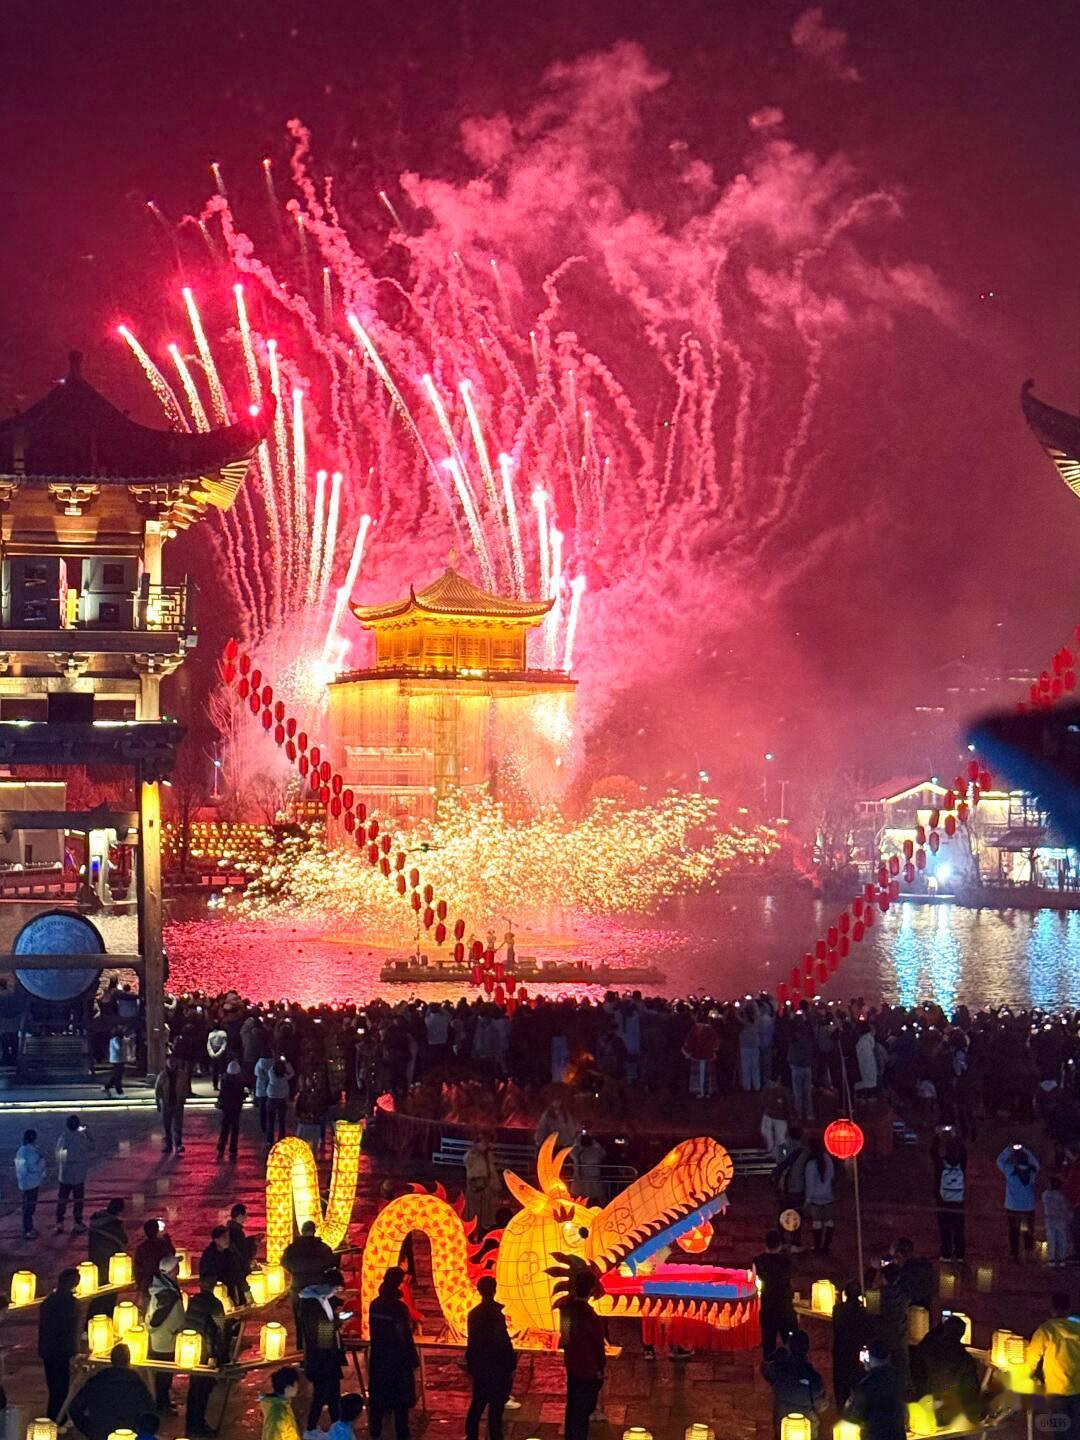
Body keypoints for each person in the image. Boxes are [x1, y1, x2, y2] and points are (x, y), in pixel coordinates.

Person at [368, 1267, 420, 1440]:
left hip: (379, 1357)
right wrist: (412, 1358)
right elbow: (404, 1335)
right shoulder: (398, 1307)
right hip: (397, 1361)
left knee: (379, 1401)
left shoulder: (375, 1304)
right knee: (400, 1404)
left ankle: (375, 1433)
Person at [465, 1276, 517, 1440]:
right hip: (496, 1366)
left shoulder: (473, 1314)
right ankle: (495, 1436)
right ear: (495, 1290)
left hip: (480, 1365)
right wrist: (511, 1362)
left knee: (478, 1402)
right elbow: (501, 1341)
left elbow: (472, 1341)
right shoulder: (495, 1315)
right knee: (496, 1407)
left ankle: (471, 1434)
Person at [910, 1315, 982, 1427]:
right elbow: (971, 1389)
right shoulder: (963, 1358)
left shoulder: (928, 1347)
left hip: (922, 1410)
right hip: (947, 1414)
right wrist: (976, 1415)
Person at [68, 1343, 152, 1440]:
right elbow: (150, 1411)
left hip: (100, 1434)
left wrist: (89, 1430)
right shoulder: (136, 1383)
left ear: (111, 1360)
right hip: (130, 1434)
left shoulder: (97, 1381)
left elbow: (74, 1407)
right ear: (128, 1360)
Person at [299, 1268, 346, 1438]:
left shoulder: (322, 1299)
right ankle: (312, 1429)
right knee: (321, 1396)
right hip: (321, 1359)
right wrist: (339, 1322)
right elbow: (320, 1333)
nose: (335, 1292)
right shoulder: (310, 1304)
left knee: (333, 1396)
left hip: (329, 1357)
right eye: (334, 1288)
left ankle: (336, 1427)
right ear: (326, 1286)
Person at [560, 1269, 607, 1440]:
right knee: (583, 1409)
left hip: (572, 1364)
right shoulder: (591, 1317)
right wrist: (600, 1367)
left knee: (573, 1404)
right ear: (591, 1290)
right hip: (588, 1367)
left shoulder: (566, 1310)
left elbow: (565, 1338)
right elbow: (597, 1345)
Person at [1026, 1292, 1080, 1433]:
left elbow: (1032, 1356)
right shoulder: (1078, 1328)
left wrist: (1028, 1375)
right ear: (1069, 1309)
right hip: (1078, 1389)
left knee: (1060, 1430)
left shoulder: (1047, 1329)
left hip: (1057, 1389)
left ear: (1052, 1309)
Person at [185, 1276, 229, 1437]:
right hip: (206, 1352)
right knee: (203, 1389)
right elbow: (220, 1328)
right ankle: (198, 1425)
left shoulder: (194, 1301)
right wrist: (218, 1354)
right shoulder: (215, 1304)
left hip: (191, 1349)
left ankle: (191, 1423)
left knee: (194, 1389)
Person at [762, 1328, 826, 1439]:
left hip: (783, 1428)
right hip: (807, 1430)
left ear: (789, 1347)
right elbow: (821, 1406)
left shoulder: (778, 1371)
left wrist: (774, 1358)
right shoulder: (814, 1377)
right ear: (807, 1349)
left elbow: (765, 1369)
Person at [842, 1340, 907, 1440]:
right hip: (898, 1435)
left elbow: (853, 1417)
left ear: (868, 1357)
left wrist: (848, 1403)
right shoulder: (899, 1377)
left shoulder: (866, 1385)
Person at [146, 1252, 186, 1411]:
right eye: (177, 1266)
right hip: (165, 1341)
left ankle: (162, 1403)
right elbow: (156, 1319)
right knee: (164, 1376)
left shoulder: (165, 1288)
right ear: (172, 1270)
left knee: (164, 1375)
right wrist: (172, 1330)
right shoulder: (167, 1294)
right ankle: (162, 1405)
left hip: (165, 1338)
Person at [282, 1220, 336, 1337]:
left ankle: (303, 1343)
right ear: (314, 1231)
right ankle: (322, 1342)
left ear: (302, 1231)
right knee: (320, 1316)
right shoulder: (323, 1248)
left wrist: (296, 1272)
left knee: (300, 1319)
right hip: (318, 1286)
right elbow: (331, 1264)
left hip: (298, 1286)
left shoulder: (291, 1249)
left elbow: (285, 1263)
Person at [38, 1268, 79, 1421]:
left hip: (48, 1350)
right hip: (61, 1351)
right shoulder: (70, 1304)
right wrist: (74, 1349)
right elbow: (70, 1330)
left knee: (53, 1386)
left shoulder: (48, 1302)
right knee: (61, 1387)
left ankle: (54, 1416)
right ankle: (58, 1418)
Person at [753, 1229, 795, 1360]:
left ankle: (769, 1366)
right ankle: (791, 1366)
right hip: (785, 1307)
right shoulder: (787, 1261)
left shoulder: (758, 1261)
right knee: (790, 1342)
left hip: (767, 1306)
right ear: (780, 1244)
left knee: (768, 1343)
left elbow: (754, 1281)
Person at [997, 1141, 1040, 1262]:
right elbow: (1036, 1164)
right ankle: (1029, 1254)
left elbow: (1000, 1161)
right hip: (1028, 1207)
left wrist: (1009, 1149)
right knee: (1028, 1231)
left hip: (1013, 1207)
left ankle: (1014, 1255)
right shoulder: (1032, 1172)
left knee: (1014, 1231)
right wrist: (1025, 1149)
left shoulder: (1010, 1170)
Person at [833, 1282, 870, 1409]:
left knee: (840, 1380)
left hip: (840, 1347)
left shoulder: (838, 1309)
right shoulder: (862, 1311)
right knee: (855, 1378)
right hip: (855, 1349)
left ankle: (840, 1406)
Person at [931, 1130, 967, 1262]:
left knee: (944, 1229)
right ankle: (960, 1255)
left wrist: (937, 1136)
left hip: (943, 1201)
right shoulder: (961, 1165)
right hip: (958, 1201)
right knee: (959, 1229)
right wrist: (956, 1136)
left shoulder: (941, 1165)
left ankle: (946, 1254)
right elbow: (964, 1152)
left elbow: (933, 1153)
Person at [56, 1113, 93, 1234]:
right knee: (78, 1200)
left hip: (65, 1175)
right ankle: (77, 1222)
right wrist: (88, 1133)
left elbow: (59, 1156)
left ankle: (59, 1222)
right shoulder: (81, 1138)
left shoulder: (63, 1138)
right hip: (78, 1175)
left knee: (62, 1200)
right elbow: (91, 1146)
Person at [876, 1265, 910, 1395]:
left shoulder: (876, 1294)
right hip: (899, 1336)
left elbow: (871, 1316)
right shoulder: (904, 1295)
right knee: (901, 1369)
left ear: (883, 1278)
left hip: (882, 1337)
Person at [200, 1224, 248, 1308]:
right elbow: (207, 1275)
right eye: (224, 1238)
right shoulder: (209, 1256)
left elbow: (238, 1267)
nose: (227, 1240)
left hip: (233, 1289)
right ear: (216, 1240)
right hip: (219, 1292)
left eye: (228, 1237)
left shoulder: (230, 1251)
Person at [803, 1137, 836, 1254]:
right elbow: (832, 1176)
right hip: (828, 1196)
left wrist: (807, 1199)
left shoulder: (811, 1164)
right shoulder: (827, 1159)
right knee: (828, 1221)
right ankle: (826, 1246)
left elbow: (810, 1183)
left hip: (815, 1198)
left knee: (816, 1222)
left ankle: (817, 1246)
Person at [463, 1135, 501, 1233]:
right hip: (475, 1187)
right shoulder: (471, 1155)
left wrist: (495, 1185)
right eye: (483, 1143)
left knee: (486, 1211)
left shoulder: (488, 1156)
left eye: (486, 1143)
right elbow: (470, 1167)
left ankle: (484, 1229)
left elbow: (491, 1170)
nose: (485, 1145)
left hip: (486, 1188)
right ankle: (473, 1230)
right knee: (473, 1211)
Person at [155, 1053, 191, 1155]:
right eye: (170, 1061)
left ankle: (178, 1144)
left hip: (177, 1103)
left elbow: (186, 1088)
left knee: (178, 1126)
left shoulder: (182, 1075)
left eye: (174, 1061)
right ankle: (168, 1145)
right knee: (167, 1125)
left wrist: (183, 1098)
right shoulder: (163, 1075)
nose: (172, 1063)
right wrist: (158, 1103)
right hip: (166, 1103)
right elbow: (158, 1090)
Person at [88, 1197, 128, 1285]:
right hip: (110, 1256)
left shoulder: (96, 1219)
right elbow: (123, 1240)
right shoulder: (113, 1224)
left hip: (95, 1254)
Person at [15, 1127, 45, 1239]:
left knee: (27, 1207)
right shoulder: (30, 1151)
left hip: (24, 1183)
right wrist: (42, 1162)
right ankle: (28, 1230)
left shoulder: (21, 1150)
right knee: (29, 1208)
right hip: (31, 1183)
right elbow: (33, 1167)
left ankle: (28, 1228)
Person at [135, 1219, 175, 1300]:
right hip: (162, 1281)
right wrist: (168, 1240)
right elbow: (171, 1255)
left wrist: (139, 1283)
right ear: (157, 1230)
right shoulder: (163, 1245)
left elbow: (138, 1267)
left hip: (147, 1282)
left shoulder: (141, 1247)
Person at [260, 1367, 303, 1440]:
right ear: (288, 1388)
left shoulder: (283, 1404)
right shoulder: (278, 1412)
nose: (298, 1388)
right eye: (296, 1385)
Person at [893, 1238, 934, 1312]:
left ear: (900, 1254)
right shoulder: (923, 1266)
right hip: (921, 1311)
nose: (895, 1261)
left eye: (895, 1257)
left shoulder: (909, 1271)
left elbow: (909, 1295)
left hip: (913, 1311)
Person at [216, 1059, 246, 1161]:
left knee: (224, 1129)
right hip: (236, 1108)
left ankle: (221, 1148)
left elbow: (221, 1092)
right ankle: (233, 1149)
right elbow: (241, 1095)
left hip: (226, 1108)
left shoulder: (224, 1080)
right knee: (234, 1129)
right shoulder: (240, 1082)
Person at [570, 1131, 606, 1205]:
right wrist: (577, 1142)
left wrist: (595, 1144)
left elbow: (603, 1154)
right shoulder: (579, 1150)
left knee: (595, 1196)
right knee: (582, 1197)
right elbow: (572, 1153)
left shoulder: (595, 1149)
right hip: (581, 1177)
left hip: (594, 1176)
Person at [266, 1056, 295, 1145]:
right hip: (282, 1098)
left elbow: (271, 1068)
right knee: (282, 1120)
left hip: (272, 1097)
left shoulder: (271, 1074)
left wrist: (276, 1062)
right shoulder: (285, 1077)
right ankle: (281, 1137)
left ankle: (269, 1140)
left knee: (271, 1120)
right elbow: (292, 1072)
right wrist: (286, 1063)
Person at [1046, 1177, 1072, 1268]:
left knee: (1051, 1241)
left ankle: (1052, 1259)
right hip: (1061, 1220)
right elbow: (1066, 1207)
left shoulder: (1045, 1195)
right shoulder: (1062, 1196)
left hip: (1050, 1220)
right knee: (1062, 1240)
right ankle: (1062, 1259)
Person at [104, 1027, 126, 1097]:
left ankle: (106, 1087)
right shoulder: (115, 1039)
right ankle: (119, 1092)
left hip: (119, 1059)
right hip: (117, 1060)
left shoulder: (116, 1039)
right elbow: (118, 1048)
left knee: (117, 1075)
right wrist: (123, 1043)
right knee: (118, 1076)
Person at [207, 1021, 229, 1090]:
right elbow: (224, 1045)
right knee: (222, 1070)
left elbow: (209, 1045)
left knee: (215, 1070)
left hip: (213, 1052)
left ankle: (215, 1085)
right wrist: (220, 1053)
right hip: (221, 1054)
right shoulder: (223, 1033)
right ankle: (222, 1085)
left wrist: (212, 1053)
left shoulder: (211, 1034)